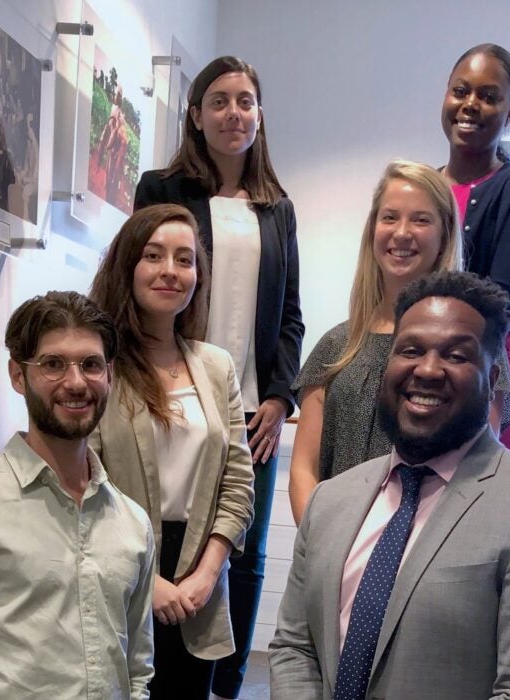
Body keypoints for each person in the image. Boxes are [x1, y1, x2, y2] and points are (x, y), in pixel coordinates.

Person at [270, 271, 510, 700]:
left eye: (457, 356)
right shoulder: (330, 500)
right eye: (411, 350)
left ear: (492, 376)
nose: (427, 369)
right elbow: (294, 646)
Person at [134, 55, 304, 699]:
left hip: (251, 407)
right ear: (196, 115)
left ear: (260, 117)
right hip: (169, 387)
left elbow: (290, 316)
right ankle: (149, 671)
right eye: (221, 100)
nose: (235, 112)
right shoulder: (161, 189)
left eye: (247, 101)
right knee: (155, 533)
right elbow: (137, 280)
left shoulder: (278, 208)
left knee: (245, 550)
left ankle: (224, 683)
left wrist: (280, 396)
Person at [89, 203, 255, 700]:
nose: (170, 271)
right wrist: (150, 580)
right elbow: (87, 480)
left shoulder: (216, 365)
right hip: (120, 572)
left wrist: (208, 573)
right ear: (127, 267)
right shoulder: (98, 364)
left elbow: (238, 481)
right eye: (154, 255)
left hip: (198, 582)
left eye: (185, 260)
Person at [289, 160, 510, 526]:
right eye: (390, 217)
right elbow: (303, 470)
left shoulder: (475, 349)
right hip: (336, 551)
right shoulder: (335, 347)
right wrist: (323, 546)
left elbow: (479, 468)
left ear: (444, 235)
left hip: (430, 556)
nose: (402, 233)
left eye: (421, 220)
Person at [0, 291, 155, 699]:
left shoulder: (133, 523)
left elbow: (137, 668)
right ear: (17, 375)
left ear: (110, 375)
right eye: (53, 364)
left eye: (91, 364)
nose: (76, 382)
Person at [440, 43, 510, 456]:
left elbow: (500, 304)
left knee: (484, 502)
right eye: (460, 91)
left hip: (491, 370)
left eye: (488, 97)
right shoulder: (421, 187)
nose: (470, 104)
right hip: (418, 367)